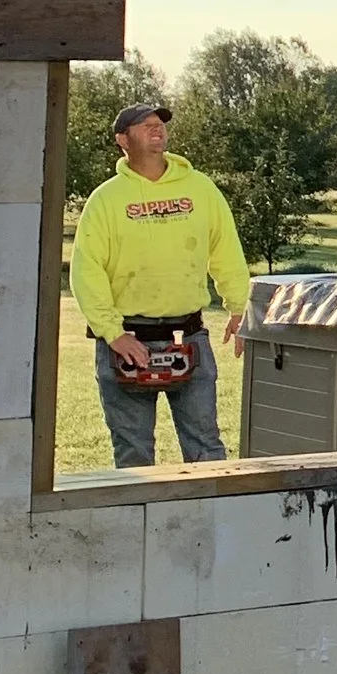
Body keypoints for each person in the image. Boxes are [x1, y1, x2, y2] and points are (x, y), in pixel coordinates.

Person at [70, 98, 251, 469]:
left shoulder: (199, 189)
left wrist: (239, 308)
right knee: (134, 453)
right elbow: (87, 270)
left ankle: (209, 523)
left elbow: (226, 250)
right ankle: (138, 525)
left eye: (160, 123)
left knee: (206, 449)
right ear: (123, 139)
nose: (157, 129)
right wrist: (112, 333)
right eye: (145, 125)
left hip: (188, 337)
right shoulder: (106, 200)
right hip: (126, 343)